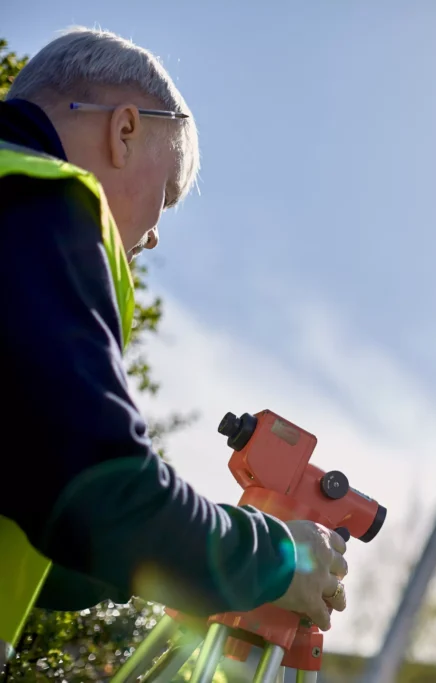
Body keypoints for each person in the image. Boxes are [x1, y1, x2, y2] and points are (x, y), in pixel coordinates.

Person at [0, 27, 348, 667]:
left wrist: (200, 547)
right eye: (164, 197)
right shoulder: (40, 198)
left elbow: (52, 543)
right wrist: (275, 560)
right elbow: (99, 494)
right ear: (124, 130)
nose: (154, 236)